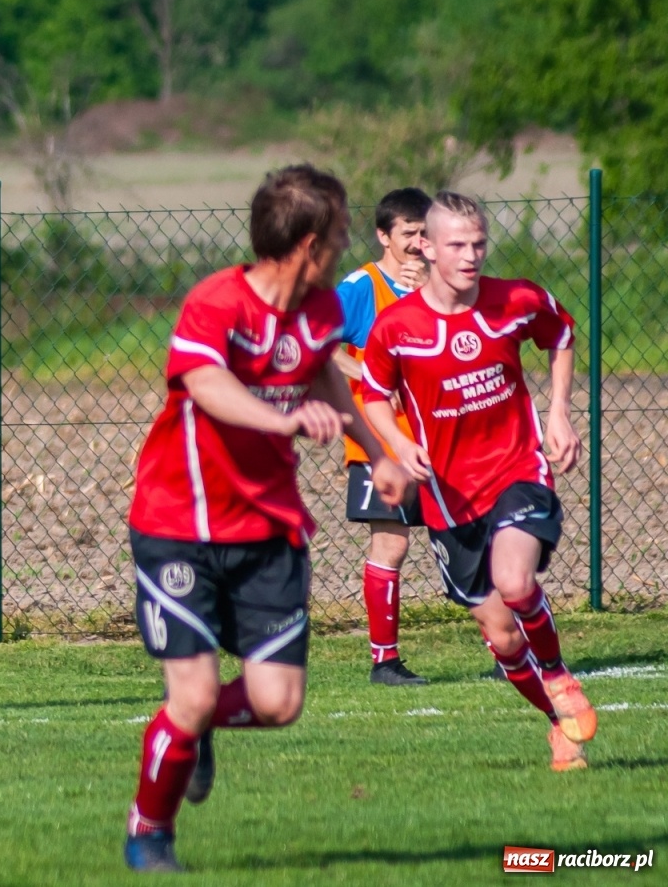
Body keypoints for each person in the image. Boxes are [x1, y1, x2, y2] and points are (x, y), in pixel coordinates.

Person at [123, 165, 408, 873]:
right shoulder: (217, 301)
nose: (348, 241)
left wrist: (378, 451)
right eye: (342, 230)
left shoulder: (318, 312)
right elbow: (207, 384)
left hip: (269, 530)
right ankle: (148, 831)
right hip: (179, 525)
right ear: (310, 242)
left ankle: (194, 729)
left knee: (279, 702)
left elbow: (322, 374)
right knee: (186, 695)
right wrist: (278, 423)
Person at [360, 192, 596, 772]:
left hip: (517, 470)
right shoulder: (398, 328)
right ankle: (557, 724)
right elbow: (370, 394)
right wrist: (399, 444)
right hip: (448, 499)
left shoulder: (515, 299)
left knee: (514, 580)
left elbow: (561, 336)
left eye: (479, 244)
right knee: (504, 638)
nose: (470, 256)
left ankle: (561, 675)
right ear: (428, 248)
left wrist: (559, 411)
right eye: (457, 245)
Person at [332, 187, 434, 685]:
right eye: (408, 234)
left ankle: (506, 650)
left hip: (444, 435)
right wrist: (373, 381)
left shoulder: (443, 284)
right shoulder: (359, 287)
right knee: (391, 545)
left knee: (472, 538)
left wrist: (428, 295)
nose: (418, 243)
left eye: (424, 233)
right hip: (381, 442)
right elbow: (318, 344)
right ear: (383, 236)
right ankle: (384, 662)